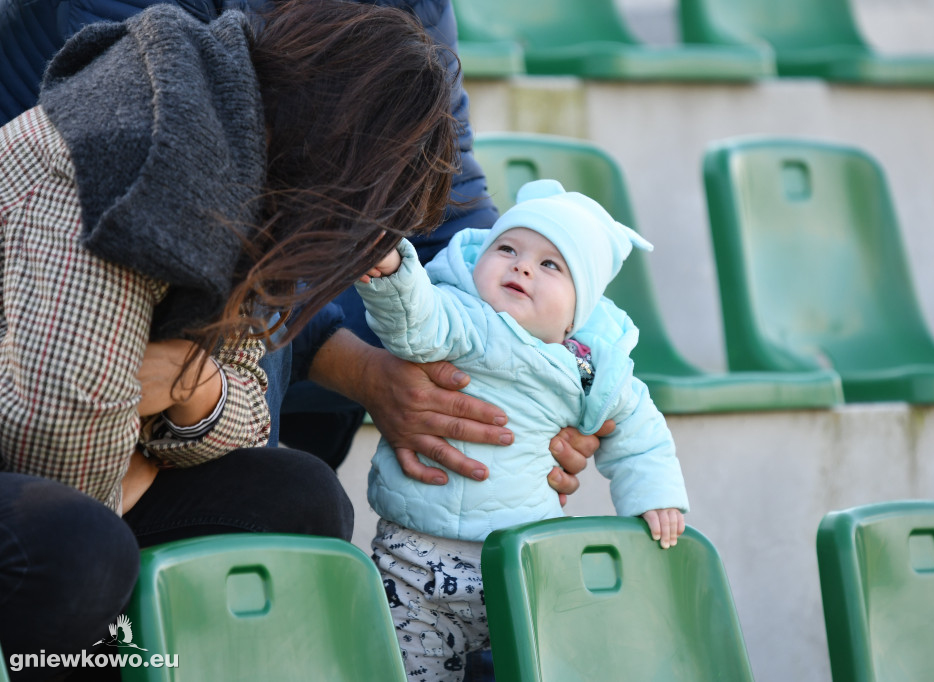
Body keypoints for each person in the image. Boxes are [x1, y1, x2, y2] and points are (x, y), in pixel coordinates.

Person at [0, 1, 459, 679]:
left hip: (82, 448)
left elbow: (245, 401)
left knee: (302, 500)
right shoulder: (139, 140)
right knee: (80, 551)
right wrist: (140, 462)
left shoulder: (252, 151)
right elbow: (53, 429)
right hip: (40, 452)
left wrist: (193, 383)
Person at [355, 179, 690, 681]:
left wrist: (654, 494)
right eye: (507, 248)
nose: (522, 265)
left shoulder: (591, 370)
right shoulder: (464, 318)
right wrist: (393, 272)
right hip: (417, 564)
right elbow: (414, 322)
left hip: (523, 567)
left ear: (578, 314)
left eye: (551, 264)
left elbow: (640, 431)